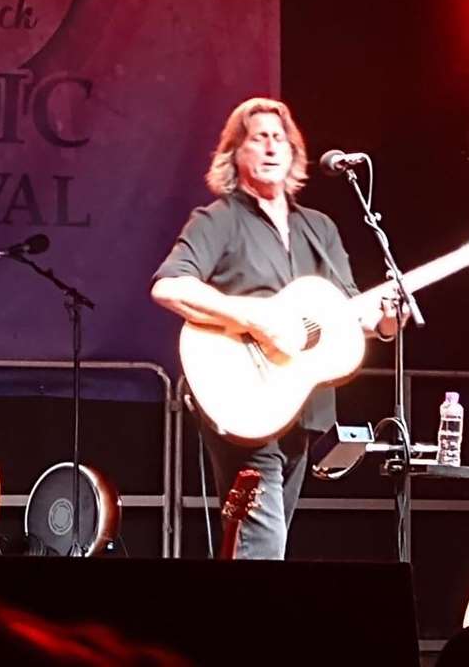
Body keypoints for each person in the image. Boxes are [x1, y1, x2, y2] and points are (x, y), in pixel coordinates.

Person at [150, 97, 400, 559]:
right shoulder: (218, 220)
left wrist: (385, 318)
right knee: (264, 546)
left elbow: (348, 317)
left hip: (301, 407)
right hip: (243, 402)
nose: (270, 147)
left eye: (279, 138)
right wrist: (255, 319)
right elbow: (170, 287)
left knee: (262, 545)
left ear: (293, 153)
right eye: (257, 137)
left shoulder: (318, 229)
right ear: (235, 154)